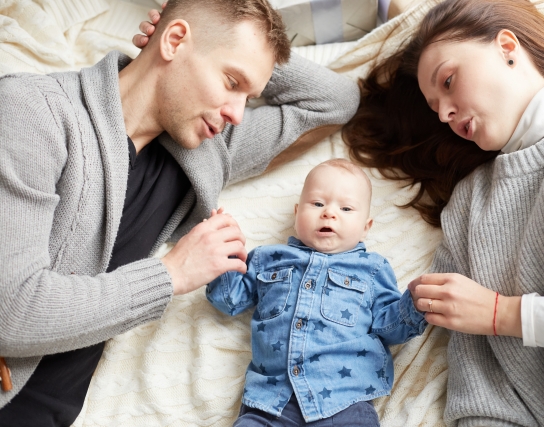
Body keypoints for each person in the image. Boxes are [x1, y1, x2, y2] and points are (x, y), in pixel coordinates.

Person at [0, 0, 360, 424]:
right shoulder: (33, 110)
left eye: (249, 95)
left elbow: (335, 101)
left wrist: (243, 46)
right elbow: (13, 311)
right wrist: (173, 274)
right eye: (231, 81)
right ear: (175, 41)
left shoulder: (207, 152)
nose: (238, 113)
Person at [342, 0, 544, 425]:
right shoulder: (468, 208)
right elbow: (483, 394)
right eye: (434, 107)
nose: (444, 113)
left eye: (448, 81)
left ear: (506, 46)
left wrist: (502, 314)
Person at [205, 159, 428, 426]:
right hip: (271, 401)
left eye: (346, 208)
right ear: (297, 212)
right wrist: (223, 251)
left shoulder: (371, 269)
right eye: (317, 204)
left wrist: (413, 305)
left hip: (344, 401)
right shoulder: (269, 258)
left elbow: (389, 328)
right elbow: (228, 300)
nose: (329, 213)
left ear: (366, 227)